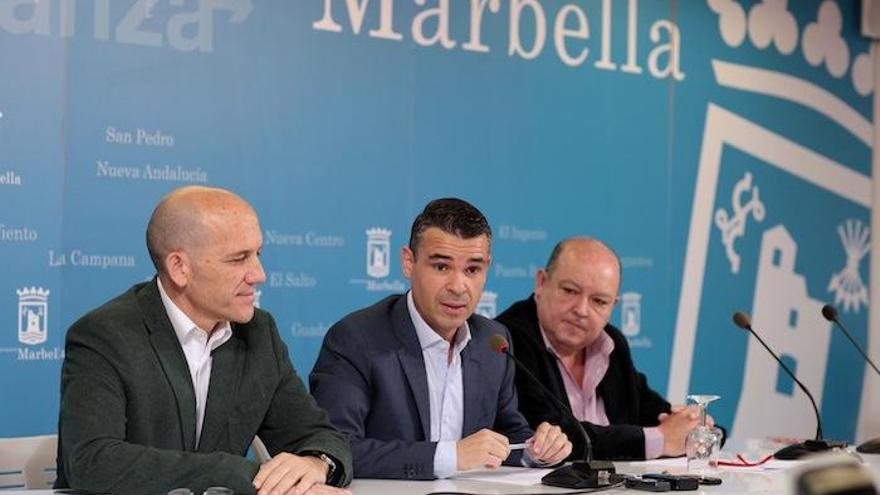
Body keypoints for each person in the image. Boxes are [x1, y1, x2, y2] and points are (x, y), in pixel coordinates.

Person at [55, 186, 352, 495]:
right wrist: (250, 475)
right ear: (179, 267)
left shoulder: (258, 333)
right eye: (239, 259)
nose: (259, 274)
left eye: (258, 255)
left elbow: (317, 435)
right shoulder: (105, 335)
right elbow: (93, 461)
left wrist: (317, 463)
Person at [310, 198, 572, 479]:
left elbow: (508, 433)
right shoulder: (356, 339)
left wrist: (536, 450)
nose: (459, 287)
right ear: (409, 263)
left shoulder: (492, 340)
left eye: (473, 270)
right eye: (441, 267)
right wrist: (451, 456)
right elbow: (335, 449)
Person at [496, 237, 710, 461]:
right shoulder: (507, 341)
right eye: (570, 291)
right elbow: (551, 435)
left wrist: (688, 423)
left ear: (613, 306)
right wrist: (660, 439)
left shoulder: (610, 343)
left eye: (599, 301)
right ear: (541, 283)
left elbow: (649, 408)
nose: (582, 310)